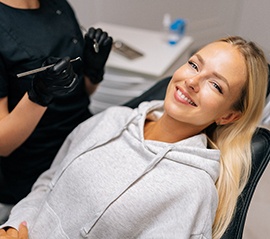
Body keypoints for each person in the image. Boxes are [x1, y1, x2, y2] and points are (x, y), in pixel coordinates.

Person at [0, 36, 268, 239]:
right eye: (194, 65)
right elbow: (49, 182)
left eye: (215, 85)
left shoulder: (192, 189)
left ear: (229, 116)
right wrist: (14, 226)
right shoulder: (112, 119)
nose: (192, 82)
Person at [0, 0, 113, 223]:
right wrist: (39, 95)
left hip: (83, 136)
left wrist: (94, 68)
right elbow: (3, 145)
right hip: (37, 163)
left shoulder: (58, 5)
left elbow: (83, 93)